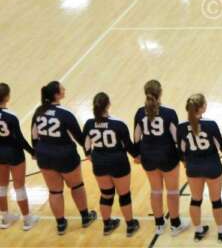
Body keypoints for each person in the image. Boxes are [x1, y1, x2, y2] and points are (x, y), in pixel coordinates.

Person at [31, 82, 97, 234]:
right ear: (56, 94)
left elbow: (34, 137)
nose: (64, 89)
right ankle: (85, 217)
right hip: (65, 156)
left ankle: (60, 224)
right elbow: (79, 136)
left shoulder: (38, 111)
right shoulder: (65, 113)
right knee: (77, 186)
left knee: (54, 191)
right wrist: (89, 151)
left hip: (45, 156)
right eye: (62, 89)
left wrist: (38, 152)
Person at [132, 80, 189, 236]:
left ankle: (159, 224)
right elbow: (177, 139)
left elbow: (136, 138)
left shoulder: (139, 112)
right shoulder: (169, 113)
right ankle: (175, 224)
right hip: (167, 156)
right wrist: (183, 158)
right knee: (172, 191)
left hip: (148, 157)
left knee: (155, 190)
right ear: (160, 92)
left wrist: (136, 155)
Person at [82, 93, 140, 236]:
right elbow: (128, 146)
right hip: (118, 161)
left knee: (106, 194)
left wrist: (92, 157)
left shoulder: (89, 123)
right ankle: (130, 225)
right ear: (108, 105)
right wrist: (137, 157)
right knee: (124, 195)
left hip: (99, 162)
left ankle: (107, 225)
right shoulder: (118, 124)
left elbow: (86, 147)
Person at [178, 95, 222, 242]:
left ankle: (199, 231)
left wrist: (185, 163)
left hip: (193, 168)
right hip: (212, 166)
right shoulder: (210, 125)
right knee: (216, 200)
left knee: (195, 200)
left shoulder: (181, 127)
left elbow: (181, 151)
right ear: (202, 108)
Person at [0, 83, 37, 231]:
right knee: (19, 186)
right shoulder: (11, 116)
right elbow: (19, 139)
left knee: (1, 186)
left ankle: (5, 217)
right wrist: (32, 152)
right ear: (7, 97)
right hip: (14, 153)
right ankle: (27, 220)